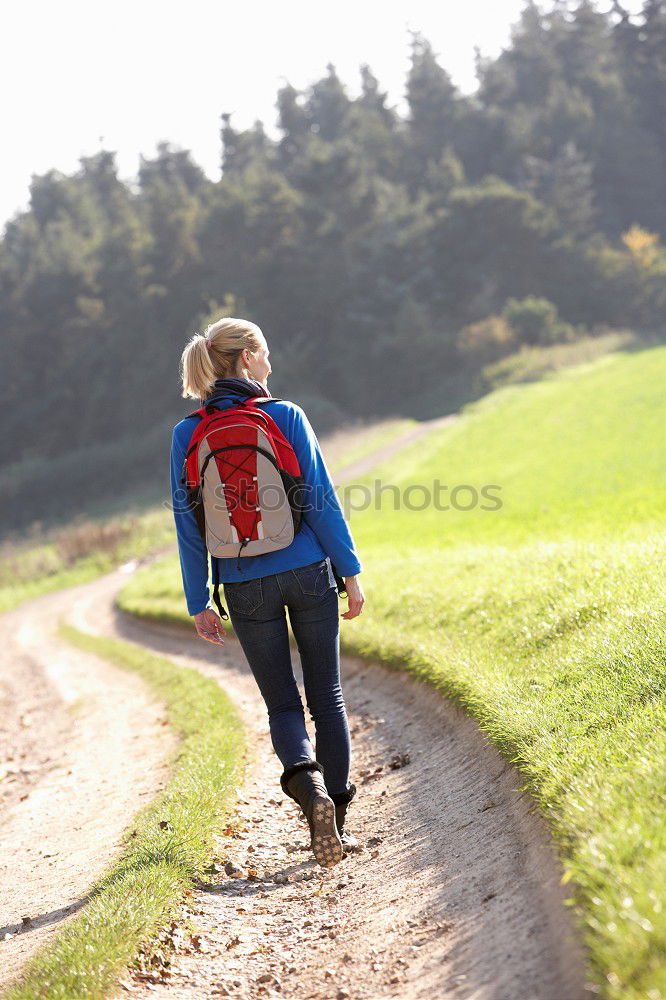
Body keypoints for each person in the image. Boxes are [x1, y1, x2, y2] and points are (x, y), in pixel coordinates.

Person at [169, 316, 366, 868]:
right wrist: (349, 571)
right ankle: (337, 821)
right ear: (248, 358)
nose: (271, 366)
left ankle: (309, 792)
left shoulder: (187, 434)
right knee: (326, 697)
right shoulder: (285, 416)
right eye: (266, 354)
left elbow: (188, 525)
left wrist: (198, 599)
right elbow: (321, 499)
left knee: (282, 703)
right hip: (307, 572)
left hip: (242, 582)